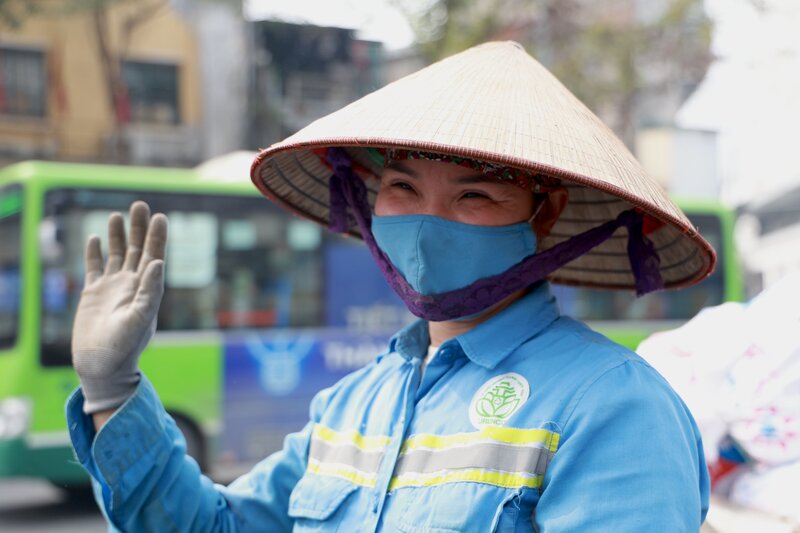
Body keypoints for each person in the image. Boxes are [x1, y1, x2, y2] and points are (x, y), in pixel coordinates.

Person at [68, 41, 713, 531]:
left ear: (543, 215)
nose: (429, 224)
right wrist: (112, 391)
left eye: (475, 195)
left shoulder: (614, 409)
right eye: (402, 187)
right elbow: (219, 524)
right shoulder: (354, 404)